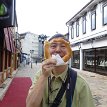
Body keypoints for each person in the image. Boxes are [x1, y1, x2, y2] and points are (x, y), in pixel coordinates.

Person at [26, 33, 95, 107]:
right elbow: (30, 105)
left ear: (69, 50)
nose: (58, 50)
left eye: (63, 46)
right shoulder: (39, 75)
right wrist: (44, 76)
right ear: (47, 50)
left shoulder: (81, 83)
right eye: (53, 46)